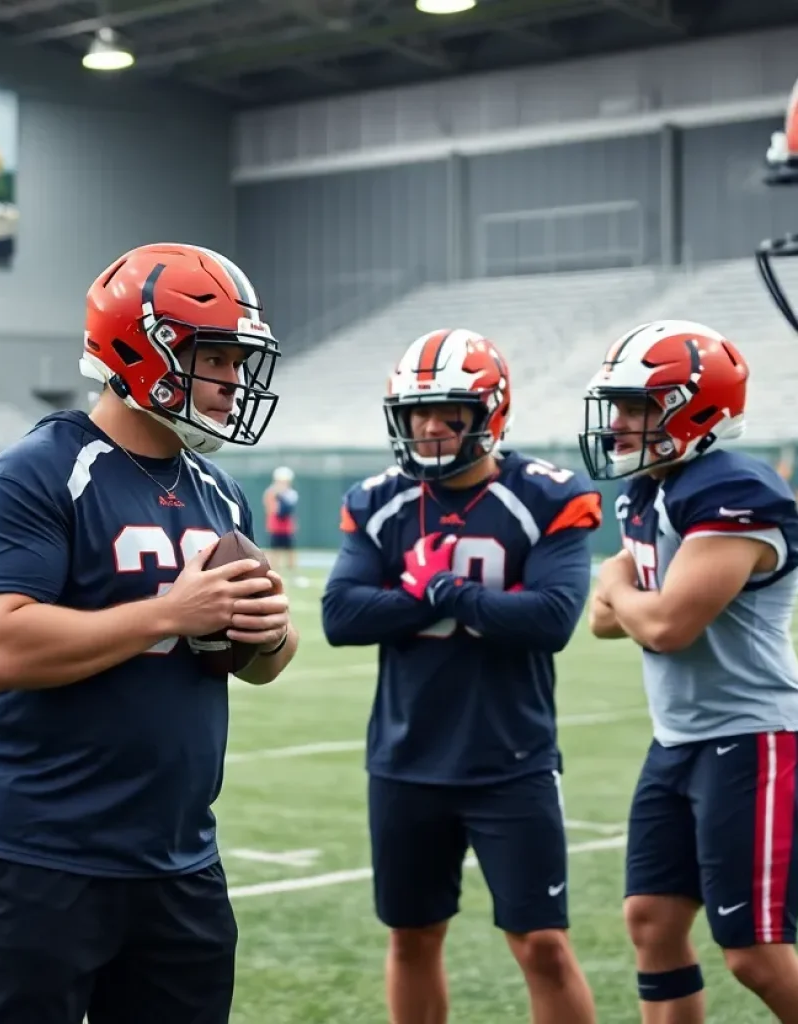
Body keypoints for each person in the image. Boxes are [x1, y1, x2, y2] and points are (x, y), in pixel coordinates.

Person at [0, 242, 299, 1024]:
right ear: (145, 350)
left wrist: (271, 633)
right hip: (40, 851)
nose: (234, 382)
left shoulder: (221, 492)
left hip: (177, 855)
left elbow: (262, 663)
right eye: (217, 358)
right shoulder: (35, 475)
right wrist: (171, 613)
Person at [322, 328, 601, 1024]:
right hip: (406, 754)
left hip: (510, 756)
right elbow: (341, 615)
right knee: (413, 936)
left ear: (489, 414)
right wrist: (431, 599)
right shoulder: (378, 499)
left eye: (447, 412)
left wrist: (442, 592)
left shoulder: (546, 495)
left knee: (541, 943)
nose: (429, 427)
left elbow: (552, 619)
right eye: (415, 413)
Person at [583, 319, 798, 1024]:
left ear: (697, 408)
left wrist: (618, 585)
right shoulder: (650, 488)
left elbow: (669, 626)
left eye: (639, 406)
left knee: (755, 953)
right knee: (652, 919)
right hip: (678, 738)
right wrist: (625, 595)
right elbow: (608, 620)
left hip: (752, 737)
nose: (619, 424)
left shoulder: (733, 489)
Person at [263, 465, 298, 572]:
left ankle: (292, 571)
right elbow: (271, 509)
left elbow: (288, 509)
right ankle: (274, 569)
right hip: (275, 526)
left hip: (287, 526)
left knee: (290, 550)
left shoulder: (291, 493)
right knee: (275, 550)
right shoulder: (271, 492)